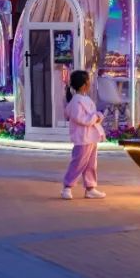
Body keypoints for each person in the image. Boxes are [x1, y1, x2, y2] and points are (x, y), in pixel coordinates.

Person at [60, 70, 106, 200]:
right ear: (84, 84)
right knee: (78, 163)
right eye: (88, 81)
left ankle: (90, 188)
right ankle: (67, 187)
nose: (90, 83)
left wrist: (97, 116)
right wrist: (96, 117)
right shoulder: (76, 101)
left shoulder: (84, 99)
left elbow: (89, 117)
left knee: (91, 163)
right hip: (83, 138)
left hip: (91, 137)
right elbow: (81, 119)